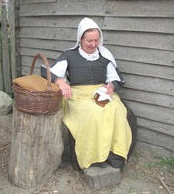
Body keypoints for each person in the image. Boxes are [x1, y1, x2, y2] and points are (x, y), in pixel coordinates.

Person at [46, 17, 132, 170]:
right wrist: (60, 81)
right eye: (89, 41)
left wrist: (111, 85)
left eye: (96, 41)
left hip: (101, 93)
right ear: (80, 39)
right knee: (93, 113)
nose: (93, 44)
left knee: (118, 110)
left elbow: (118, 80)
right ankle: (93, 157)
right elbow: (47, 72)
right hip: (77, 96)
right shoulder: (69, 55)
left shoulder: (104, 56)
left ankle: (115, 154)